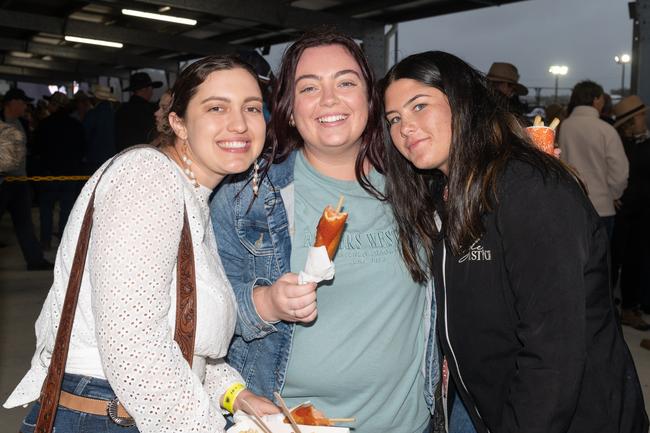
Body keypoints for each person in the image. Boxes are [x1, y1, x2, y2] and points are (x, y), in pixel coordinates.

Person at [3, 55, 279, 433]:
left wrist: (236, 395)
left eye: (252, 107)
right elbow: (134, 347)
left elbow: (182, 338)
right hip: (106, 416)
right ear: (178, 122)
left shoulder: (190, 194)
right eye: (217, 107)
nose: (240, 123)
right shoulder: (147, 179)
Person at [382, 51, 649, 433]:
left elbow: (554, 350)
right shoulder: (446, 193)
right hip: (492, 409)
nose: (405, 127)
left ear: (463, 102)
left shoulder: (526, 187)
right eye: (394, 119)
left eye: (419, 106)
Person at [211, 29, 440, 433]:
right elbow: (203, 319)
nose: (329, 99)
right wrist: (266, 301)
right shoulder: (246, 197)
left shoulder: (420, 182)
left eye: (346, 82)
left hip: (409, 423)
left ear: (370, 98)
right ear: (289, 107)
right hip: (292, 424)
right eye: (309, 87)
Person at [559, 80, 629, 240]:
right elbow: (620, 171)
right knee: (600, 262)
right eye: (602, 98)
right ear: (596, 99)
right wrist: (613, 194)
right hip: (602, 207)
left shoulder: (565, 126)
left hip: (572, 205)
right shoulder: (605, 129)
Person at [0, 88, 51, 270]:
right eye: (22, 102)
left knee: (25, 224)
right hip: (2, 182)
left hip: (19, 181)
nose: (25, 106)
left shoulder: (21, 123)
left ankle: (35, 260)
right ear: (11, 102)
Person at [611, 94, 650, 329]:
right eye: (641, 115)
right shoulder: (617, 143)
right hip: (621, 210)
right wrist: (612, 194)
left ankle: (629, 308)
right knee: (612, 260)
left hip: (644, 211)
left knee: (637, 260)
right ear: (631, 121)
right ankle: (606, 309)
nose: (644, 118)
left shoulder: (647, 142)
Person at [34, 91, 85, 251]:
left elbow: (36, 148)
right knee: (67, 209)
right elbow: (82, 149)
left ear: (55, 105)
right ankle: (64, 242)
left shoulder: (44, 124)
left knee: (46, 209)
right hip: (70, 174)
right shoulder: (76, 125)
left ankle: (46, 242)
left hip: (48, 174)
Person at [115, 72, 161, 151]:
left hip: (124, 154)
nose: (152, 91)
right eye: (151, 88)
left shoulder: (122, 109)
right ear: (146, 89)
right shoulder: (148, 110)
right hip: (143, 154)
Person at [83, 84, 118, 174]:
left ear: (96, 98)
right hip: (112, 158)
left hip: (94, 159)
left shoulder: (92, 114)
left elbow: (84, 135)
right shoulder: (115, 114)